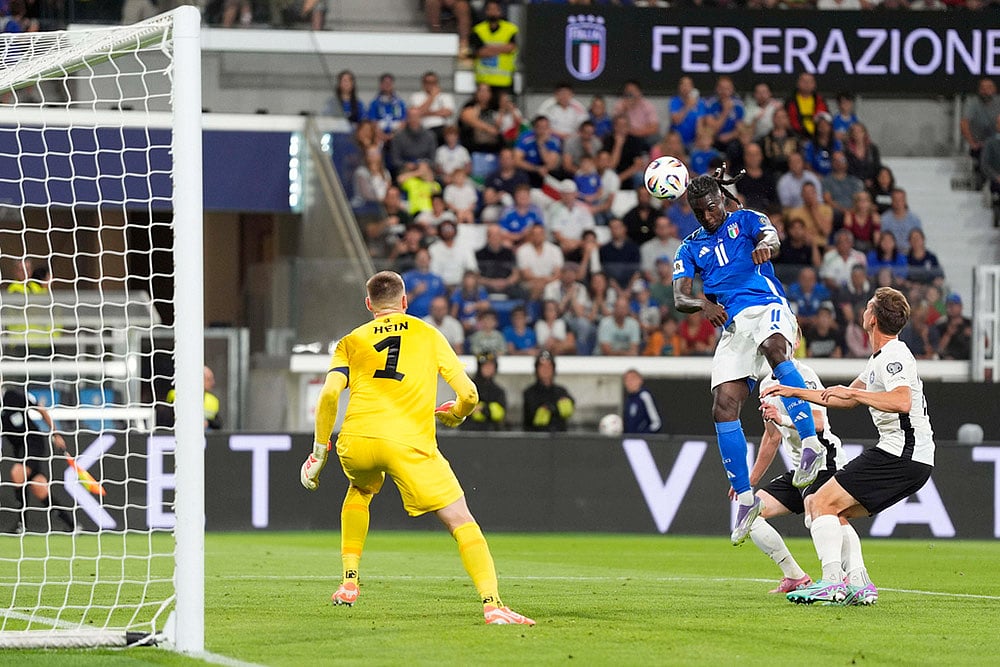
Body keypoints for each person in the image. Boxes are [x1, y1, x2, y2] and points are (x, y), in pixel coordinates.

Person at [300, 271, 533, 625]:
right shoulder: (428, 334)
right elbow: (469, 394)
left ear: (369, 305)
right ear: (405, 302)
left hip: (357, 440)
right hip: (409, 442)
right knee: (461, 521)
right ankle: (492, 604)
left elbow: (330, 393)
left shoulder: (351, 340)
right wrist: (455, 414)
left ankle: (349, 582)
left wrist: (319, 453)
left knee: (360, 490)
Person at [673, 170, 827, 546]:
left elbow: (772, 236)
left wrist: (765, 246)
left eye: (711, 208)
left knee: (775, 350)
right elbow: (680, 297)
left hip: (767, 306)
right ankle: (744, 498)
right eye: (699, 212)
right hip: (731, 325)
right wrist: (703, 304)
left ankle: (810, 445)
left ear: (722, 201)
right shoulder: (688, 248)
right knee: (723, 405)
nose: (707, 217)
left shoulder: (746, 220)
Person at [763, 287, 935, 605]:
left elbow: (900, 400)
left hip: (901, 453)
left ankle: (831, 582)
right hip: (912, 458)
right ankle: (859, 583)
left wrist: (857, 394)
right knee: (834, 509)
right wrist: (792, 391)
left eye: (868, 305)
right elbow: (839, 396)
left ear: (871, 317)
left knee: (818, 502)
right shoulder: (879, 360)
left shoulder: (893, 355)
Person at [744, 354, 849, 595]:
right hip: (800, 470)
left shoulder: (803, 376)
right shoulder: (766, 384)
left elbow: (818, 422)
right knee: (749, 512)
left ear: (795, 344)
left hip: (823, 460)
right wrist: (750, 480)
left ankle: (846, 577)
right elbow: (772, 436)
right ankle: (795, 576)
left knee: (820, 514)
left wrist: (780, 417)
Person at [1, 385, 77, 534]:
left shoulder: (12, 395)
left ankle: (21, 524)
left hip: (33, 442)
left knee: (17, 474)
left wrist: (55, 434)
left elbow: (40, 409)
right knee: (39, 488)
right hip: (19, 449)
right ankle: (72, 526)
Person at [470, 0, 518, 98]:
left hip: (504, 81)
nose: (493, 12)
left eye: (495, 9)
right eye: (490, 9)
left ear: (500, 11)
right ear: (486, 11)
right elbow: (480, 52)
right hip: (483, 81)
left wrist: (488, 48)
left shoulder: (510, 29)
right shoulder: (478, 30)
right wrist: (501, 48)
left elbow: (511, 48)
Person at [960, 78, 1000, 187]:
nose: (986, 91)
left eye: (989, 88)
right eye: (983, 88)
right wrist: (972, 143)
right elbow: (964, 123)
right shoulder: (972, 103)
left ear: (995, 90)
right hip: (979, 144)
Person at [522, 350, 574, 432]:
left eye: (549, 366)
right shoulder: (529, 393)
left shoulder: (561, 392)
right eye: (542, 366)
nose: (545, 370)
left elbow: (568, 409)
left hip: (560, 440)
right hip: (535, 440)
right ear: (537, 369)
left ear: (553, 369)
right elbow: (535, 418)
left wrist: (550, 409)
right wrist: (556, 409)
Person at [166, 365, 222, 431]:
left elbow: (218, 423)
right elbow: (166, 419)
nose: (213, 383)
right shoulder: (176, 395)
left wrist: (208, 423)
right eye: (209, 379)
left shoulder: (213, 400)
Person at [462, 353, 506, 431]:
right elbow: (462, 411)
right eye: (485, 366)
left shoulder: (498, 391)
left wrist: (482, 409)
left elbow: (499, 414)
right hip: (469, 433)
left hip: (492, 432)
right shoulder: (469, 387)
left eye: (491, 366)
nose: (488, 368)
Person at [784, 72, 829, 140]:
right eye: (804, 81)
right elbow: (785, 121)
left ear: (814, 84)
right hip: (795, 137)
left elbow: (827, 120)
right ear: (798, 83)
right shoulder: (790, 101)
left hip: (817, 138)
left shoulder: (820, 101)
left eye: (810, 81)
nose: (807, 84)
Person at [879, 188, 922, 255]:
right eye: (895, 200)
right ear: (892, 201)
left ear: (905, 201)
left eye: (901, 200)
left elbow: (918, 239)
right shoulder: (884, 219)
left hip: (910, 253)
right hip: (891, 254)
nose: (898, 203)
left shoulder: (915, 219)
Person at [622, 369, 662, 434]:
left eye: (632, 379)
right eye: (626, 380)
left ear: (640, 380)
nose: (629, 383)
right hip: (629, 440)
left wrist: (644, 434)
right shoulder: (628, 400)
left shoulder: (644, 396)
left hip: (642, 440)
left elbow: (656, 423)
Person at [935, 293, 972, 360]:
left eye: (953, 305)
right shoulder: (941, 325)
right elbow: (938, 349)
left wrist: (974, 336)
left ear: (960, 306)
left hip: (969, 360)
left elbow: (986, 344)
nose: (950, 308)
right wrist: (948, 334)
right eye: (948, 305)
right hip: (950, 361)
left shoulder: (970, 323)